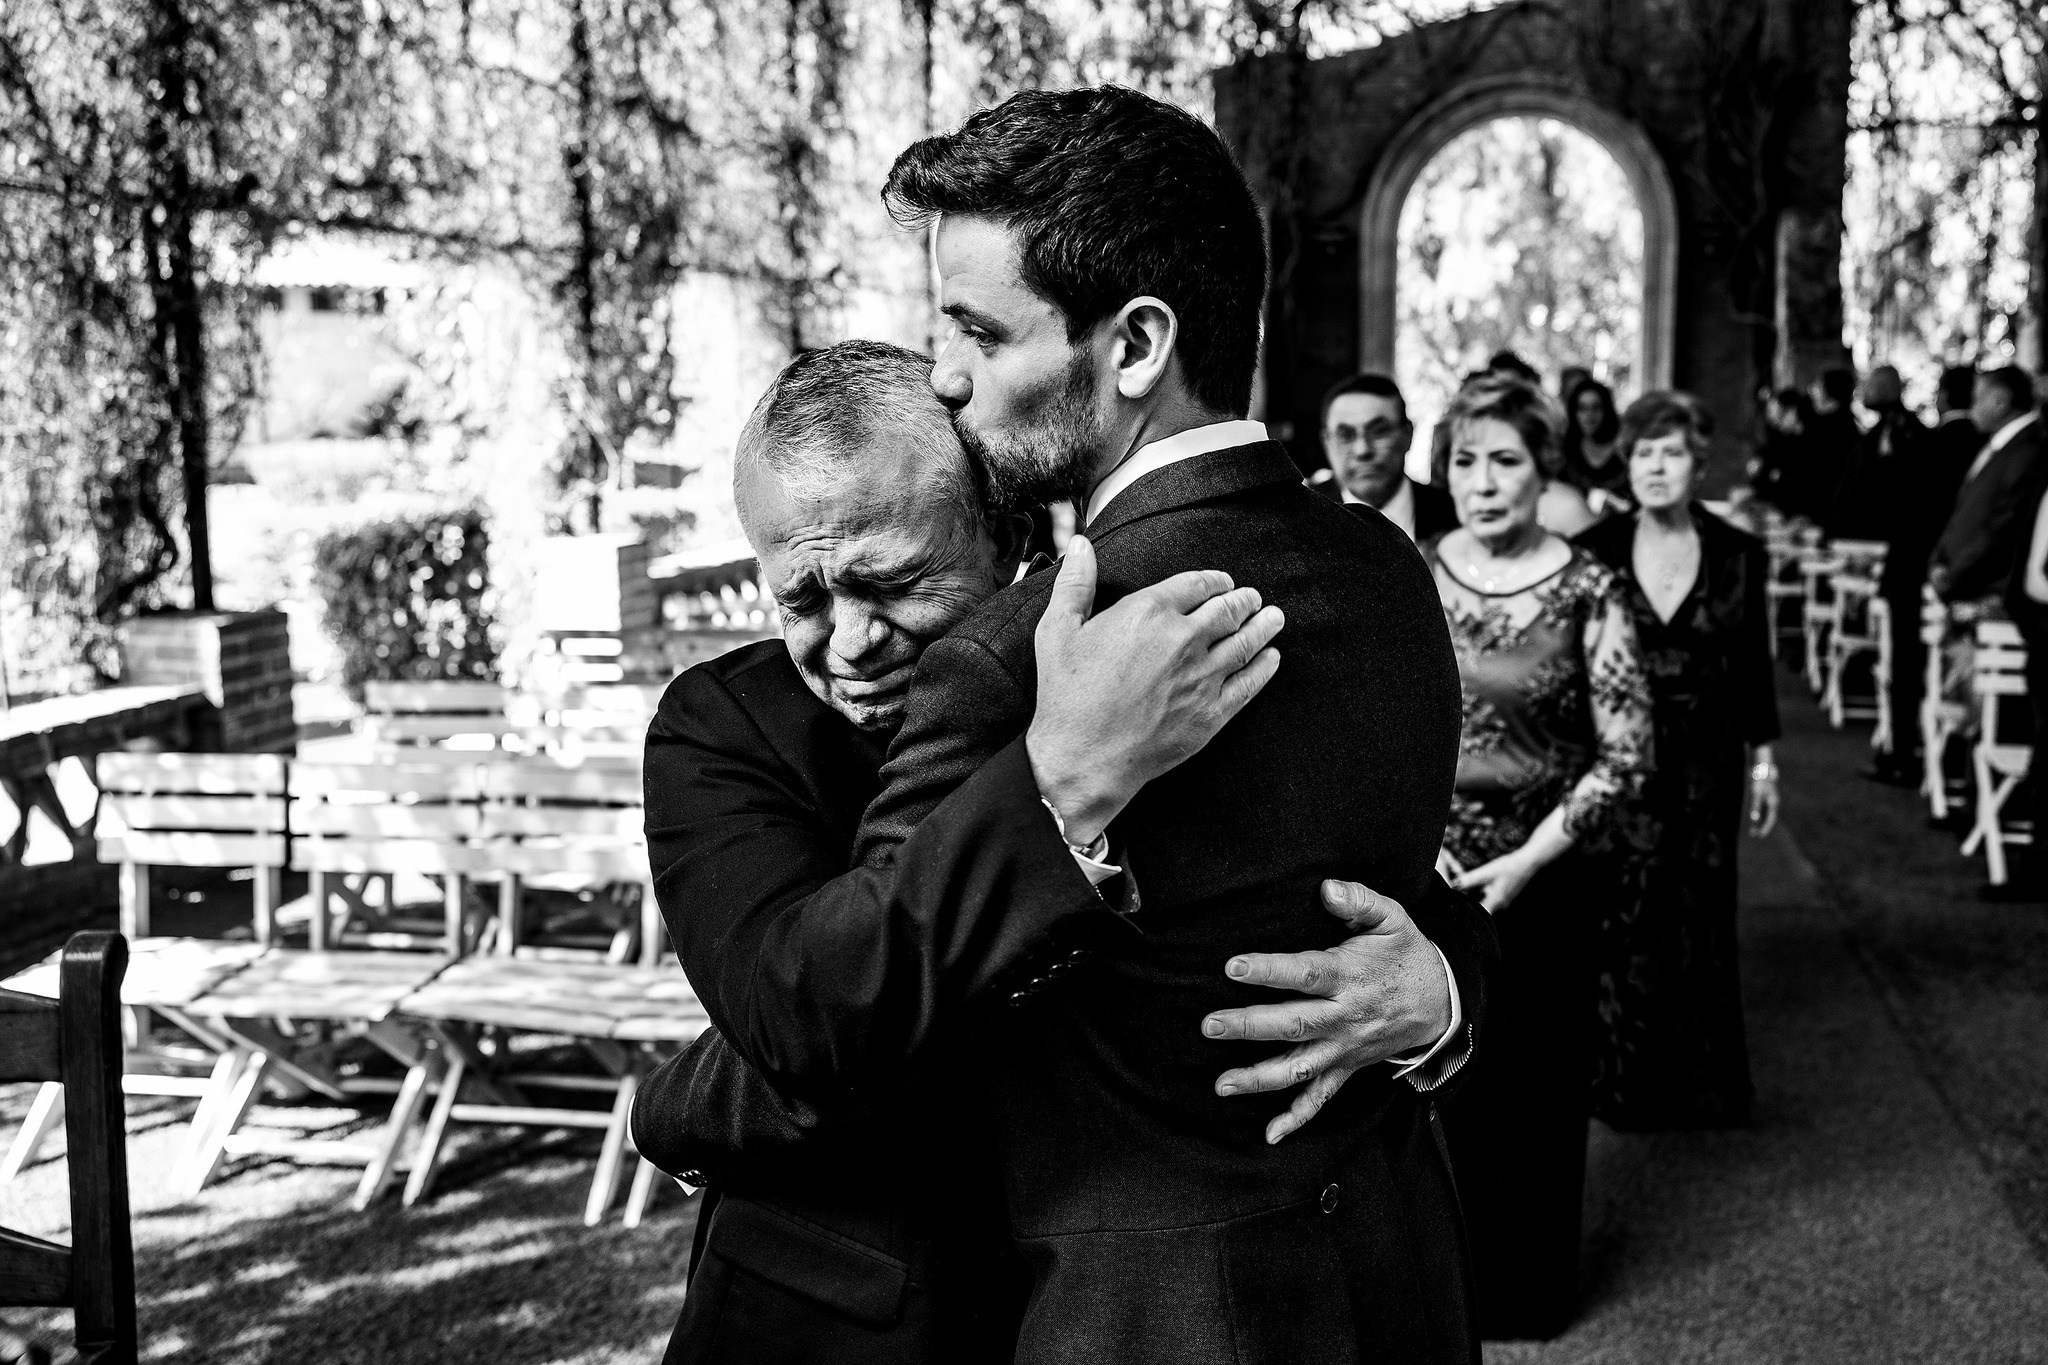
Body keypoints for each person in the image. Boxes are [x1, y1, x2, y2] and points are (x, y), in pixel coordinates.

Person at [651, 88, 1499, 1365]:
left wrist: (1434, 989)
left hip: (1157, 1318)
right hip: (1383, 1287)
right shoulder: (1382, 566)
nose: (948, 369)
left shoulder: (1020, 659)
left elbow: (837, 1018)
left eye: (979, 332)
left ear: (1136, 344)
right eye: (802, 594)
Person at [1422, 373, 1654, 1340]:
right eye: (1466, 462)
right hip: (1433, 875)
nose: (1483, 482)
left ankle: (1531, 1298)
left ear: (1542, 470)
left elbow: (1630, 756)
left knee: (1542, 1093)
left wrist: (1527, 860)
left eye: (1505, 461)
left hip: (1551, 876)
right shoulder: (1419, 569)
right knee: (1442, 1088)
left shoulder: (1590, 583)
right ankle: (1448, 1299)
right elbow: (1384, 723)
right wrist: (1414, 835)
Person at [1578, 392, 1779, 1130]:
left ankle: (1706, 1085)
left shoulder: (1739, 553)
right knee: (1625, 910)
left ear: (1698, 463)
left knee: (1701, 908)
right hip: (1622, 753)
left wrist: (1764, 765)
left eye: (1670, 452)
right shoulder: (1595, 549)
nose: (1654, 466)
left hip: (1708, 759)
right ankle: (1623, 1081)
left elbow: (1753, 666)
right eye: (1641, 453)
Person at [1856, 366, 1973, 783]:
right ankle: (1936, 755)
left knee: (1904, 666)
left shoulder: (1927, 443)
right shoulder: (1972, 443)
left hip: (1914, 567)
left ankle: (1903, 752)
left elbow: (1906, 505)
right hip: (1942, 569)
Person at [1305, 372, 1457, 542]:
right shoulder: (1300, 517)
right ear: (1327, 443)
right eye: (1346, 436)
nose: (1362, 450)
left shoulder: (1455, 514)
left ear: (1408, 435)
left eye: (1379, 432)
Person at [1560, 377, 1630, 512]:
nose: (1589, 415)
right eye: (1582, 408)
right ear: (1574, 413)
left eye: (1596, 407)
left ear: (1607, 410)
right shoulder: (1566, 451)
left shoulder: (1623, 448)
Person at [1807, 366, 1860, 532]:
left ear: (1830, 391)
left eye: (1817, 385)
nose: (1811, 391)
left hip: (1827, 520)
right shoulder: (1838, 424)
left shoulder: (1834, 429)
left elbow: (1825, 477)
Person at [1752, 386, 1817, 518]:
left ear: (1793, 411)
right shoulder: (1784, 439)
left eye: (1779, 414)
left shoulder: (1813, 441)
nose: (1774, 421)